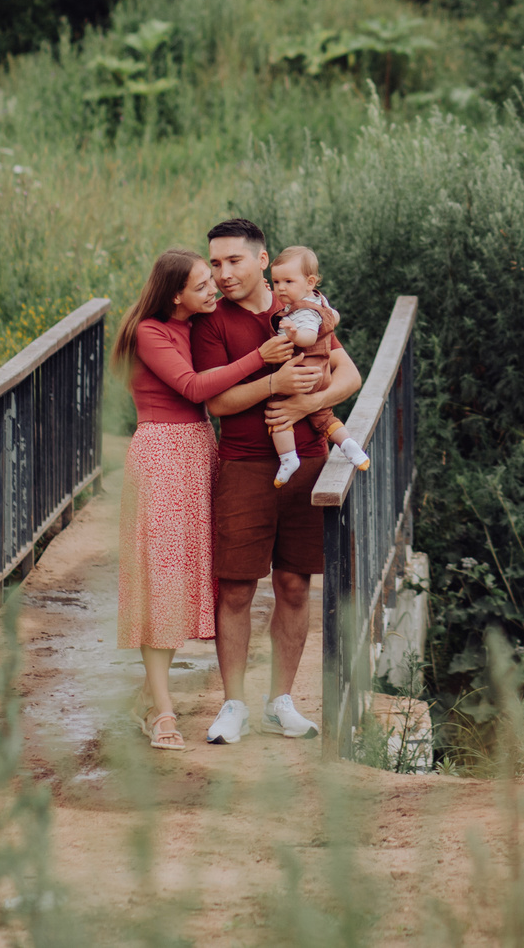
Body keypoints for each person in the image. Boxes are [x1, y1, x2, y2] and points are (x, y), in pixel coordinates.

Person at [192, 216, 365, 744]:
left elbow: (350, 376)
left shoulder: (296, 306)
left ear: (262, 261)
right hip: (243, 464)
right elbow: (216, 402)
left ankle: (281, 701)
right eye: (216, 263)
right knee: (238, 587)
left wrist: (309, 400)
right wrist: (274, 380)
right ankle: (234, 704)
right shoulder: (212, 323)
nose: (223, 274)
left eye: (234, 261)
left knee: (294, 585)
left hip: (309, 461)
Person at [111, 248, 292, 751]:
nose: (214, 286)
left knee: (192, 577)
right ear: (175, 295)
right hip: (163, 456)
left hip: (198, 452)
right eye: (202, 284)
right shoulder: (149, 331)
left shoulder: (198, 326)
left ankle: (150, 696)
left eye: (212, 279)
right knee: (162, 582)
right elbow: (192, 388)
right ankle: (162, 712)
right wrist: (263, 363)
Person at [263, 245, 370, 485]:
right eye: (276, 282)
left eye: (288, 282)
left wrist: (292, 335)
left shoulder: (302, 314)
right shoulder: (319, 301)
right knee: (324, 417)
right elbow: (335, 316)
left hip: (303, 373)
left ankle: (289, 457)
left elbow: (309, 338)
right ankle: (351, 448)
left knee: (277, 409)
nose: (280, 288)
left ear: (310, 281)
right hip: (321, 375)